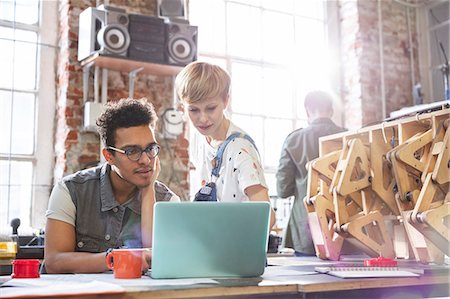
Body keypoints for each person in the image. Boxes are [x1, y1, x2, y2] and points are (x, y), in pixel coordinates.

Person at [44, 98, 180, 274]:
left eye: (150, 148)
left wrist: (148, 192)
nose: (146, 160)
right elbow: (55, 262)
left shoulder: (167, 201)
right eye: (132, 151)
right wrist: (116, 259)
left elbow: (158, 262)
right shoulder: (70, 191)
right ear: (109, 156)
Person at [175, 61, 276, 228]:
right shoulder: (198, 139)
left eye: (211, 108)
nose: (203, 119)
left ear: (225, 101)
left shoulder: (241, 149)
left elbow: (267, 217)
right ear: (183, 107)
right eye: (193, 110)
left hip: (236, 246)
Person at [276, 91, 346, 255]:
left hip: (307, 230)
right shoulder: (349, 137)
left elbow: (283, 190)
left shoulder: (294, 140)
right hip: (345, 230)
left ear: (307, 111)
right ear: (331, 110)